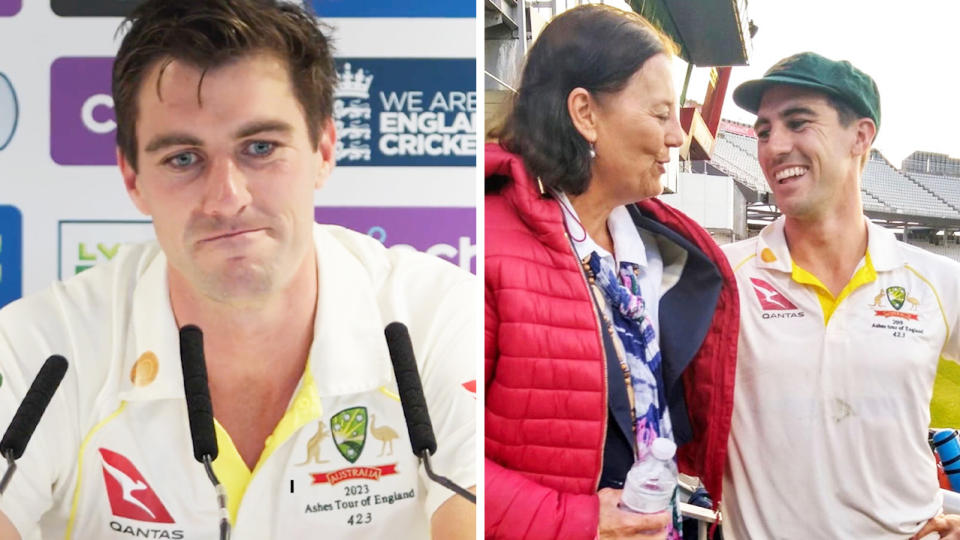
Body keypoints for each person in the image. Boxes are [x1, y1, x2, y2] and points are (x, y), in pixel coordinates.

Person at [0, 1, 475, 538]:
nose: (227, 198)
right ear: (132, 178)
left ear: (323, 148)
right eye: (183, 157)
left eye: (260, 148)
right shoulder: (39, 349)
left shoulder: (439, 317)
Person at [484, 5, 738, 539]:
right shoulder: (487, 241)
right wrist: (578, 523)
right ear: (585, 114)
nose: (678, 137)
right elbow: (436, 456)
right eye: (659, 113)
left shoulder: (655, 252)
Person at [722, 51, 960, 538]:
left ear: (861, 136)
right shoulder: (724, 276)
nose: (773, 146)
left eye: (798, 122)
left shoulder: (936, 280)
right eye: (764, 130)